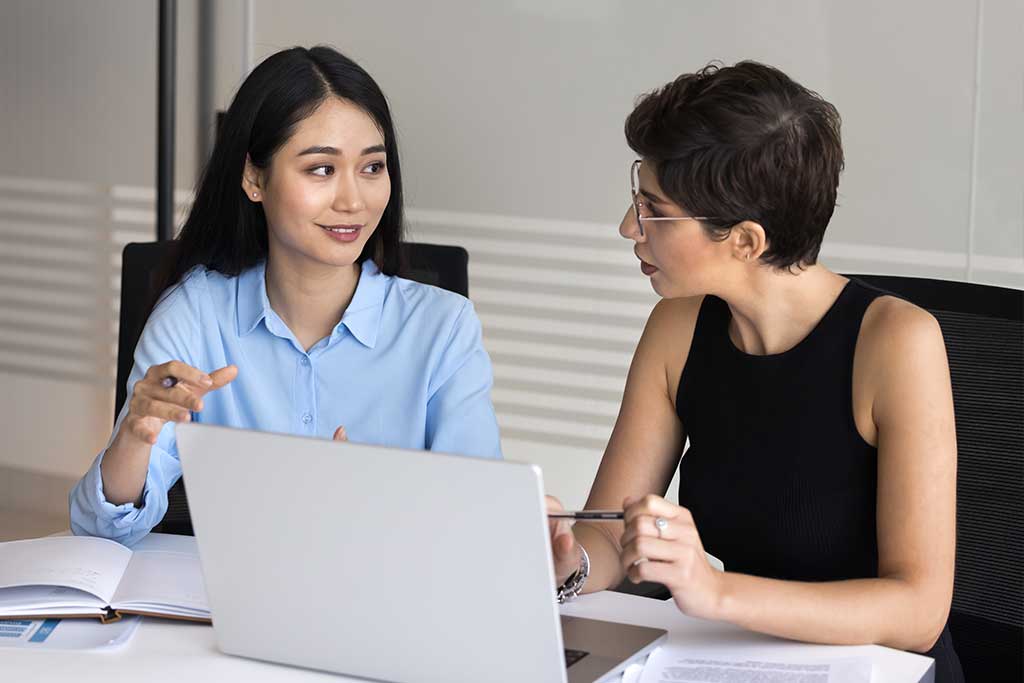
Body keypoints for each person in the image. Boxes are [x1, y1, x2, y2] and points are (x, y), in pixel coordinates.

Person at [547, 62, 964, 682]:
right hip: (733, 659)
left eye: (653, 210)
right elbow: (607, 538)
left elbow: (918, 611)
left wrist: (714, 591)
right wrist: (566, 559)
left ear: (745, 240)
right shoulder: (678, 328)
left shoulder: (896, 342)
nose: (629, 228)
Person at [70, 46, 502, 546]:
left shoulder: (444, 327)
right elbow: (100, 531)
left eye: (372, 167)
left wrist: (379, 501)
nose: (353, 201)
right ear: (255, 178)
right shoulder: (196, 312)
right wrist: (135, 435)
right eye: (321, 169)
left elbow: (479, 524)